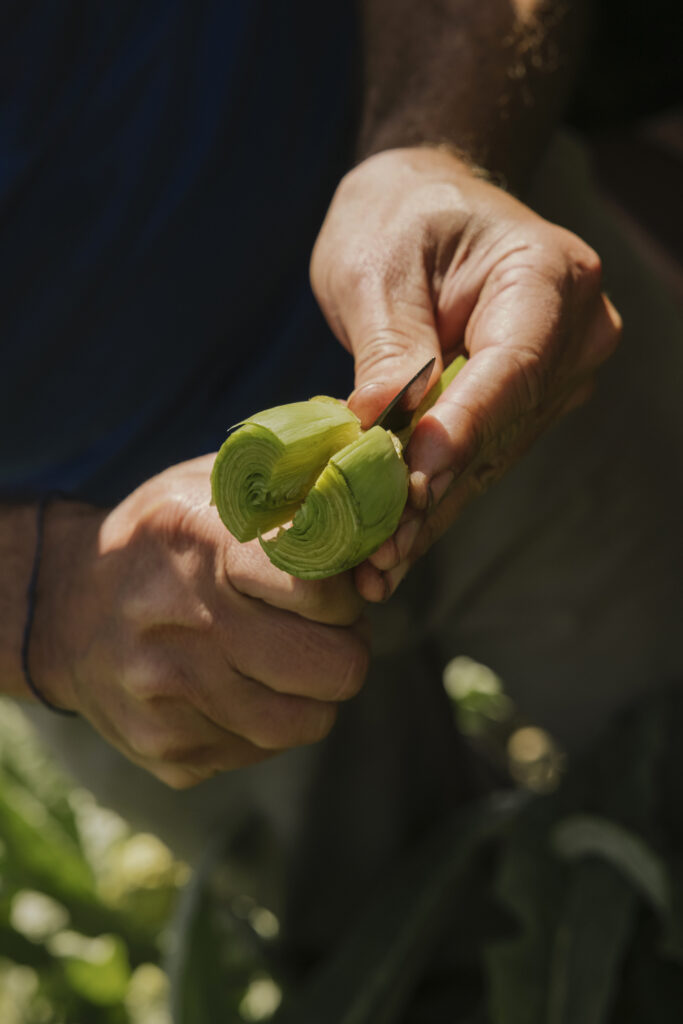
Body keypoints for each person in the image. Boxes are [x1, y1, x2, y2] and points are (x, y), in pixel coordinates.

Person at [1, 0, 682, 960]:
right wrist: (43, 599)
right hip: (126, 617)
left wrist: (438, 144)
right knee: (405, 956)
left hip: (470, 314)